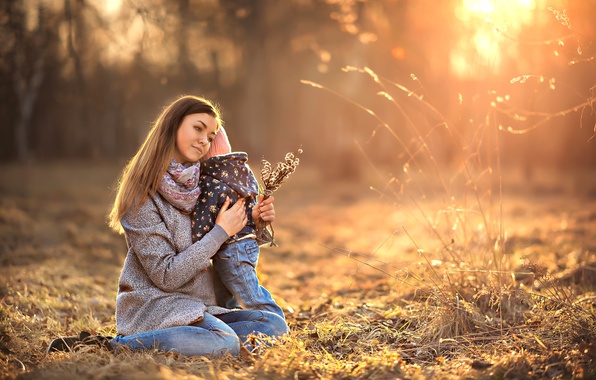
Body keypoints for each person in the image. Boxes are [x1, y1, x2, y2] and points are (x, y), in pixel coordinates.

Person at [46, 95, 289, 357]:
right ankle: (111, 345)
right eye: (198, 128)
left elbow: (226, 251)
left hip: (201, 306)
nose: (204, 140)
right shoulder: (141, 196)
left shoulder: (206, 186)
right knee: (223, 342)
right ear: (173, 125)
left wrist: (251, 222)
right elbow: (166, 275)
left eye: (210, 135)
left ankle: (199, 342)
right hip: (157, 305)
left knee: (273, 325)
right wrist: (221, 232)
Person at [192, 126, 285, 319]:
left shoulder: (209, 181)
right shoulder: (241, 170)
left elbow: (203, 217)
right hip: (246, 244)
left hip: (231, 249)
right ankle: (237, 318)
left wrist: (196, 242)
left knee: (252, 295)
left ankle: (275, 322)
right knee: (228, 292)